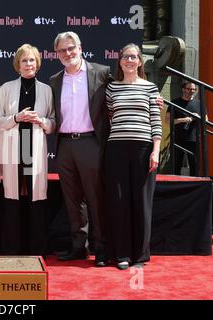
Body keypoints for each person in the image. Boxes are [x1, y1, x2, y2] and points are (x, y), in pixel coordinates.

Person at [49, 31, 112, 267]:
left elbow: (126, 89)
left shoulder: (102, 72)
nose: (68, 53)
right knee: (73, 200)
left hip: (91, 143)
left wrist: (151, 96)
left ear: (80, 47)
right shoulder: (55, 80)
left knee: (96, 197)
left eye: (71, 48)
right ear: (56, 54)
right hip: (64, 144)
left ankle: (102, 248)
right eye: (62, 50)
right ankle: (78, 247)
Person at [105, 43, 162, 270]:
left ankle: (140, 256)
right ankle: (122, 255)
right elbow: (110, 116)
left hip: (143, 149)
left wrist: (155, 151)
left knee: (141, 203)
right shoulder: (112, 88)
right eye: (125, 57)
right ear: (120, 61)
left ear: (140, 61)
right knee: (119, 202)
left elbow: (156, 122)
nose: (129, 60)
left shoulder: (150, 88)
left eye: (134, 57)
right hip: (116, 148)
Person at [0, 44, 55, 256]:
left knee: (36, 199)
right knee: (13, 199)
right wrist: (16, 118)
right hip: (14, 147)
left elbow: (53, 123)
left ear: (37, 64)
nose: (28, 64)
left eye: (32, 60)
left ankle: (37, 250)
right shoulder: (6, 88)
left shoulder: (46, 90)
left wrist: (40, 120)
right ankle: (11, 249)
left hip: (35, 149)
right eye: (24, 60)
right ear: (17, 65)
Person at [166, 81, 202, 176]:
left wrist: (197, 116)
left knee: (194, 164)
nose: (191, 91)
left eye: (194, 89)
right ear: (183, 89)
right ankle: (175, 185)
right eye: (189, 89)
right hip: (178, 138)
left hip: (193, 139)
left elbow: (205, 120)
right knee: (176, 164)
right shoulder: (174, 102)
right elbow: (167, 121)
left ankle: (195, 185)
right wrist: (183, 119)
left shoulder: (198, 104)